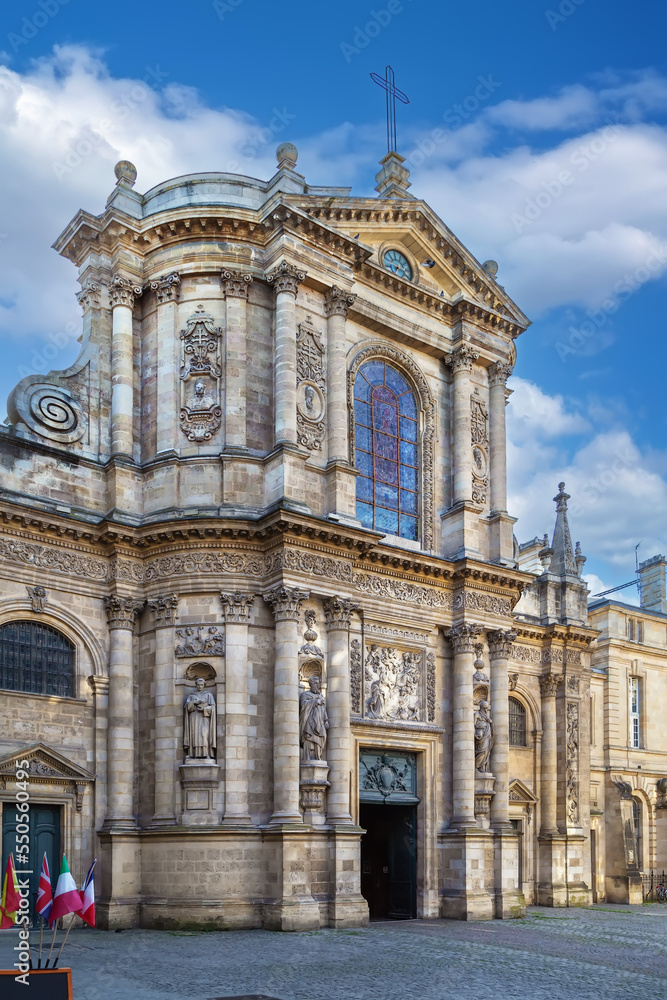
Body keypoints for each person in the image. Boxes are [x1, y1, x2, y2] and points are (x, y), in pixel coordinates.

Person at [183, 677, 217, 759]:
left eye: (201, 685)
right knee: (194, 735)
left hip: (204, 718)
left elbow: (213, 708)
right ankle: (192, 753)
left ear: (204, 685)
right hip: (194, 717)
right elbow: (187, 707)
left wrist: (204, 709)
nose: (200, 686)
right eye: (198, 685)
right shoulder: (192, 695)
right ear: (196, 685)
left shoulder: (208, 695)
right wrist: (193, 702)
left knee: (203, 735)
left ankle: (206, 753)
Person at [299, 677, 329, 761]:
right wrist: (316, 701)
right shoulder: (305, 694)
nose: (317, 685)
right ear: (310, 684)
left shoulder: (320, 696)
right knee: (308, 738)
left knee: (321, 737)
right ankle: (307, 758)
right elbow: (303, 705)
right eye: (315, 683)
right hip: (309, 721)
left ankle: (318, 757)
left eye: (318, 683)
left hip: (320, 722)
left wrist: (326, 720)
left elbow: (323, 709)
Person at [474, 700, 494, 773]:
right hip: (480, 735)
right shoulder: (476, 714)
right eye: (484, 708)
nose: (486, 709)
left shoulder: (486, 717)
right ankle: (477, 767)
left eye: (486, 708)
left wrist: (490, 722)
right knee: (481, 751)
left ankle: (482, 767)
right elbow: (473, 725)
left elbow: (490, 723)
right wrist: (475, 734)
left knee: (486, 751)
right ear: (481, 707)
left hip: (487, 735)